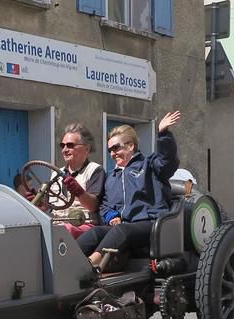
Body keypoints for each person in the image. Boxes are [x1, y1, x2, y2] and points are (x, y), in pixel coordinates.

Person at [76, 110, 182, 272]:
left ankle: (89, 266)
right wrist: (112, 216)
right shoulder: (112, 177)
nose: (112, 154)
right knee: (96, 232)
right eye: (110, 150)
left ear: (131, 145)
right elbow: (104, 205)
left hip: (152, 224)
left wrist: (163, 134)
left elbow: (168, 160)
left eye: (116, 148)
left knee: (121, 230)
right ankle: (67, 262)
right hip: (125, 227)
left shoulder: (150, 165)